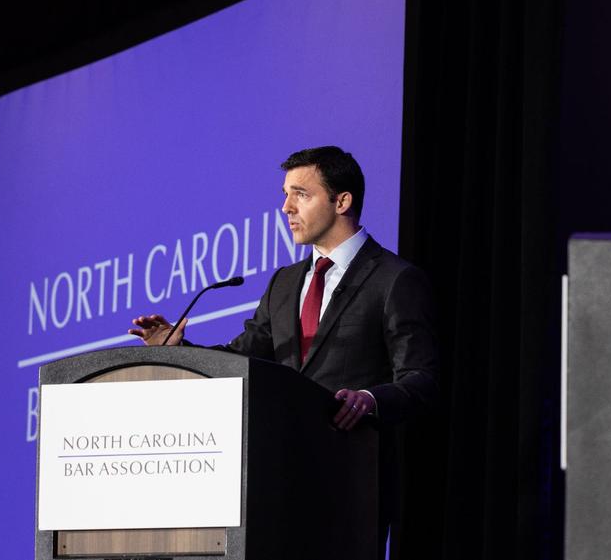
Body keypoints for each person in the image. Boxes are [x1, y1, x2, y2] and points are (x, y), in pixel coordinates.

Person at [130, 145, 439, 550]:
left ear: (342, 201)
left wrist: (368, 399)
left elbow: (421, 379)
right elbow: (243, 357)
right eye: (285, 194)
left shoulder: (394, 279)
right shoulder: (284, 283)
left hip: (351, 481)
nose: (286, 207)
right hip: (280, 481)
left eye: (301, 194)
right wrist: (178, 348)